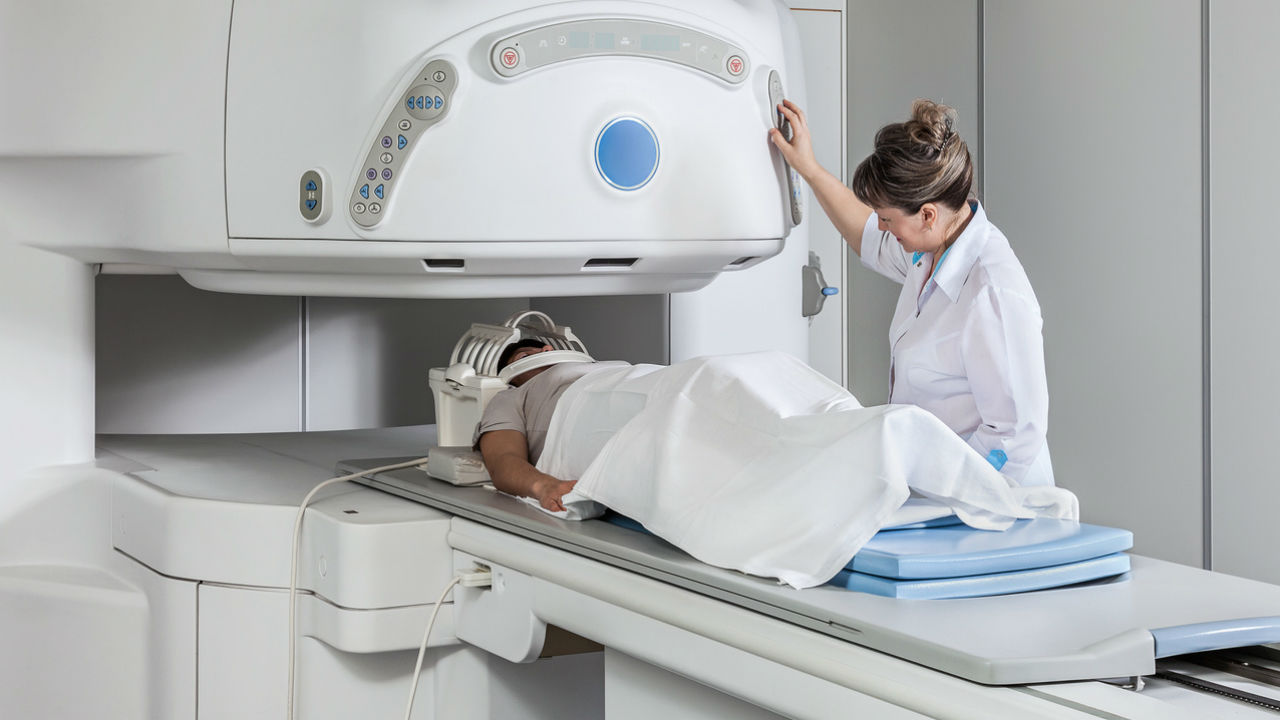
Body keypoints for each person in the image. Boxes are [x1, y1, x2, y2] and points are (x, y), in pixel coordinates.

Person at [769, 98, 1054, 487]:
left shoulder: (992, 293)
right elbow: (867, 235)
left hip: (989, 499)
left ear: (928, 214)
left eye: (887, 218)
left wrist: (940, 497)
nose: (882, 227)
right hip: (934, 487)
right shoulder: (932, 249)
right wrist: (809, 168)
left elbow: (1016, 437)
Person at [475, 340, 625, 512]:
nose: (546, 349)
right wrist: (544, 486)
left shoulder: (606, 367)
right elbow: (503, 459)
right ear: (513, 377)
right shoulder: (512, 396)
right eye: (524, 355)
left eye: (548, 349)